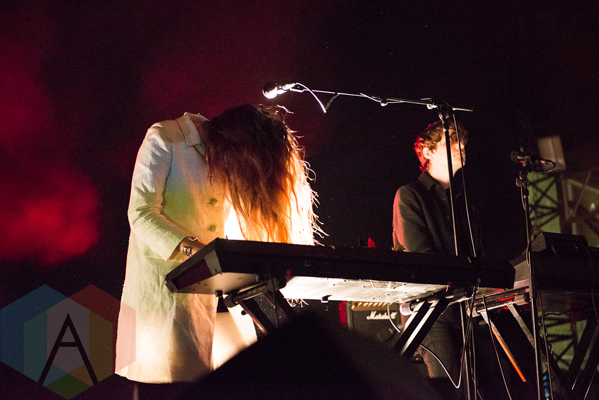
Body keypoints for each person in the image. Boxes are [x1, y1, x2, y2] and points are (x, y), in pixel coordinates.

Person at [115, 105, 318, 390]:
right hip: (165, 294)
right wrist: (197, 252)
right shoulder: (165, 137)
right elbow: (141, 213)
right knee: (171, 385)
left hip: (214, 292)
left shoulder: (221, 154)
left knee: (232, 382)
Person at [392, 120, 483, 397]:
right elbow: (421, 257)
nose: (461, 147)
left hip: (465, 309)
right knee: (448, 387)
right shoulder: (409, 195)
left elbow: (477, 258)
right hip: (430, 312)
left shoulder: (464, 205)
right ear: (428, 151)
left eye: (463, 142)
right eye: (452, 141)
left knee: (483, 385)